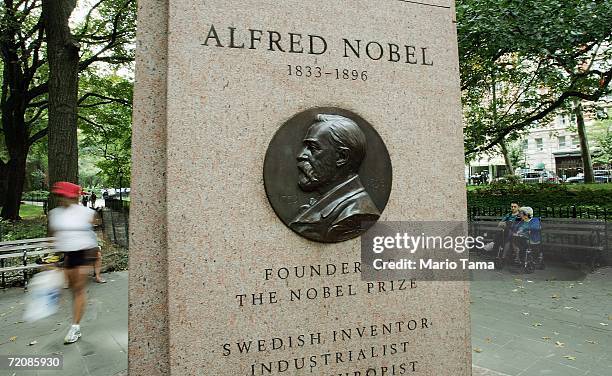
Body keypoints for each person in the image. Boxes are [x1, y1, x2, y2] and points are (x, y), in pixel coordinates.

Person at [289, 114, 380, 242]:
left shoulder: (355, 216)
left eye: (312, 148)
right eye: (304, 147)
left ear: (341, 157)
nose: (300, 155)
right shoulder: (332, 204)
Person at [48, 182, 99, 344]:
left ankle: (75, 327)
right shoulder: (54, 214)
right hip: (66, 255)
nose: (63, 199)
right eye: (61, 195)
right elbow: (54, 237)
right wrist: (52, 258)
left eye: (66, 195)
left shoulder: (87, 213)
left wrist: (94, 257)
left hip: (83, 253)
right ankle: (78, 315)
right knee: (70, 289)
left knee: (78, 290)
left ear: (75, 196)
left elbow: (93, 234)